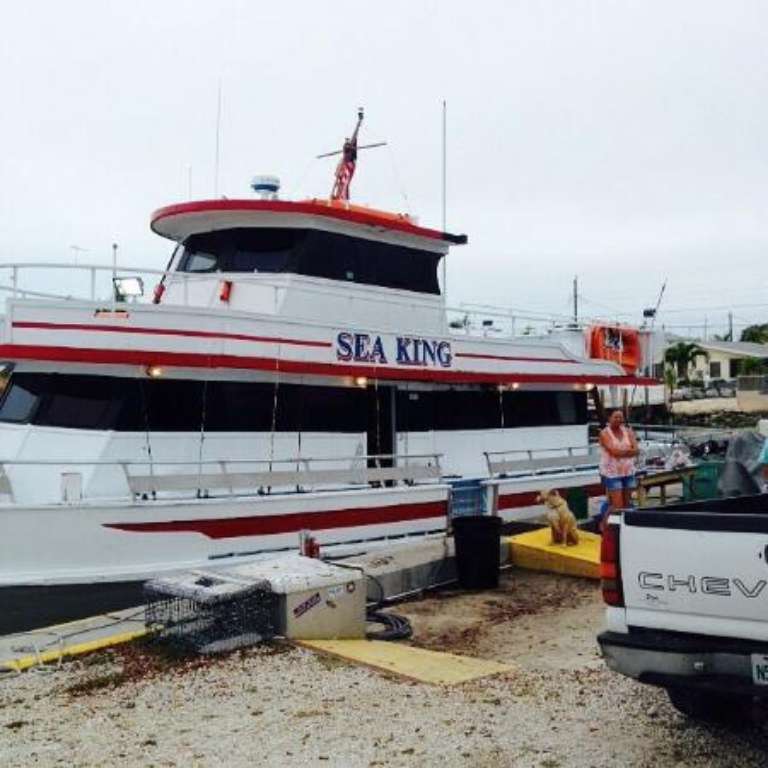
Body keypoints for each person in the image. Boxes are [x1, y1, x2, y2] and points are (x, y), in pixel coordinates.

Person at [599, 410, 639, 527]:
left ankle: (620, 527)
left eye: (621, 417)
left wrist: (623, 452)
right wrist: (629, 452)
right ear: (609, 418)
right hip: (612, 473)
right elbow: (613, 451)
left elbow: (636, 450)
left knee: (627, 504)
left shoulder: (628, 431)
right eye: (615, 417)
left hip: (628, 471)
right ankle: (604, 526)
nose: (619, 420)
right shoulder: (604, 433)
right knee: (617, 505)